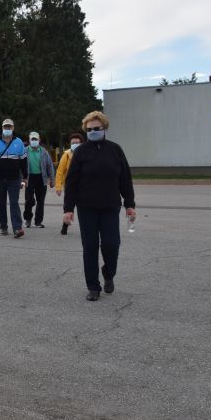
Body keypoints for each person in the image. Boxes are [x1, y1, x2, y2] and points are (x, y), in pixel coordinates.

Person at [63, 111, 136, 301]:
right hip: (86, 208)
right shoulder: (80, 152)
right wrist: (68, 209)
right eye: (89, 129)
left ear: (104, 129)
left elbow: (125, 179)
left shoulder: (115, 150)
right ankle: (93, 287)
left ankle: (108, 272)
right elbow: (71, 182)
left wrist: (130, 204)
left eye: (97, 129)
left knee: (112, 245)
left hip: (110, 207)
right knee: (90, 246)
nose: (93, 131)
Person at [0, 119, 28, 238]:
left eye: (9, 127)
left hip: (14, 179)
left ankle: (17, 228)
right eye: (5, 127)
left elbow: (24, 161)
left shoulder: (18, 142)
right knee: (1, 203)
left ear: (13, 128)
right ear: (2, 128)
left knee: (14, 203)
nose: (7, 129)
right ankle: (3, 226)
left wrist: (25, 177)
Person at [23, 131, 55, 229]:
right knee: (29, 200)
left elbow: (50, 166)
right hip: (29, 178)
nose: (34, 141)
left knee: (40, 201)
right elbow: (19, 166)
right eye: (32, 139)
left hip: (41, 178)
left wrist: (52, 179)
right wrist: (21, 179)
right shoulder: (24, 151)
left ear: (39, 140)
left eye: (35, 139)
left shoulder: (44, 152)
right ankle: (28, 219)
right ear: (29, 140)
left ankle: (38, 222)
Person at [55, 132, 84, 235]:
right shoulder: (66, 155)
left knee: (84, 208)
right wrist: (58, 186)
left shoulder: (86, 154)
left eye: (77, 142)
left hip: (84, 186)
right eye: (73, 142)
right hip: (70, 186)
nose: (75, 144)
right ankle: (65, 226)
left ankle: (85, 228)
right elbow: (59, 171)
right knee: (68, 206)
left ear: (81, 143)